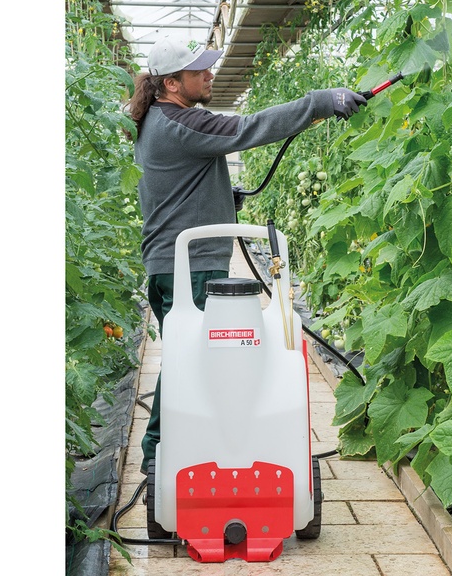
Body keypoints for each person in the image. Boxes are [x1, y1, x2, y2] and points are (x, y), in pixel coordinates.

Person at [126, 34, 366, 474]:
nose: (209, 74)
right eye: (199, 71)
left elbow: (179, 183)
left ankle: (171, 450)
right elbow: (249, 127)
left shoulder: (159, 120)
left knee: (186, 358)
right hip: (190, 267)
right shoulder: (182, 124)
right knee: (193, 362)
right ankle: (162, 454)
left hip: (170, 263)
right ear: (173, 83)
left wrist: (218, 193)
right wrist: (320, 101)